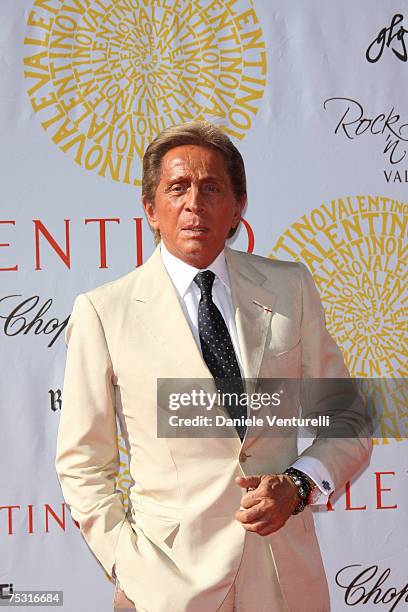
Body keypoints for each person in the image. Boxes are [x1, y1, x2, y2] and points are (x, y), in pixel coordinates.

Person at [55, 121, 371, 612]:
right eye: (177, 188)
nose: (194, 204)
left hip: (284, 575)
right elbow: (83, 462)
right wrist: (125, 562)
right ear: (150, 209)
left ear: (237, 207)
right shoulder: (104, 312)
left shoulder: (291, 290)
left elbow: (349, 421)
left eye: (211, 188)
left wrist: (300, 485)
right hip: (165, 584)